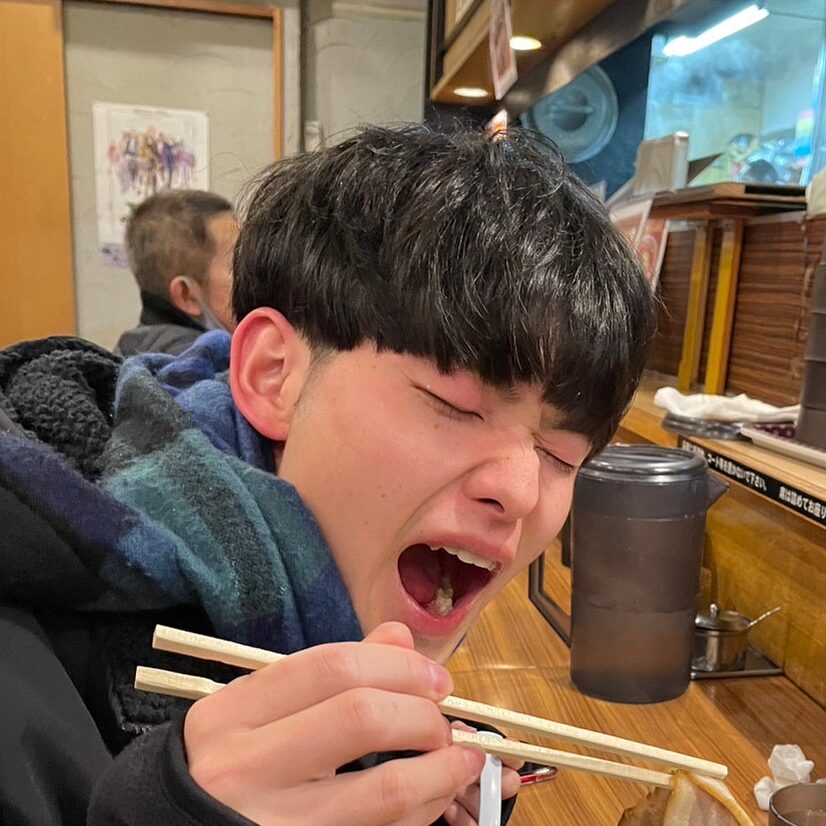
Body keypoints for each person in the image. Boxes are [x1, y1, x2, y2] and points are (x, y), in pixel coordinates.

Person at [0, 124, 655, 825]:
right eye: (457, 405)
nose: (521, 492)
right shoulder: (23, 659)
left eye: (561, 455)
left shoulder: (339, 597)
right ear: (273, 374)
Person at [115, 189, 239, 357]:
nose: (258, 273)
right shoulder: (202, 365)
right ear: (186, 295)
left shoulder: (139, 344)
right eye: (238, 265)